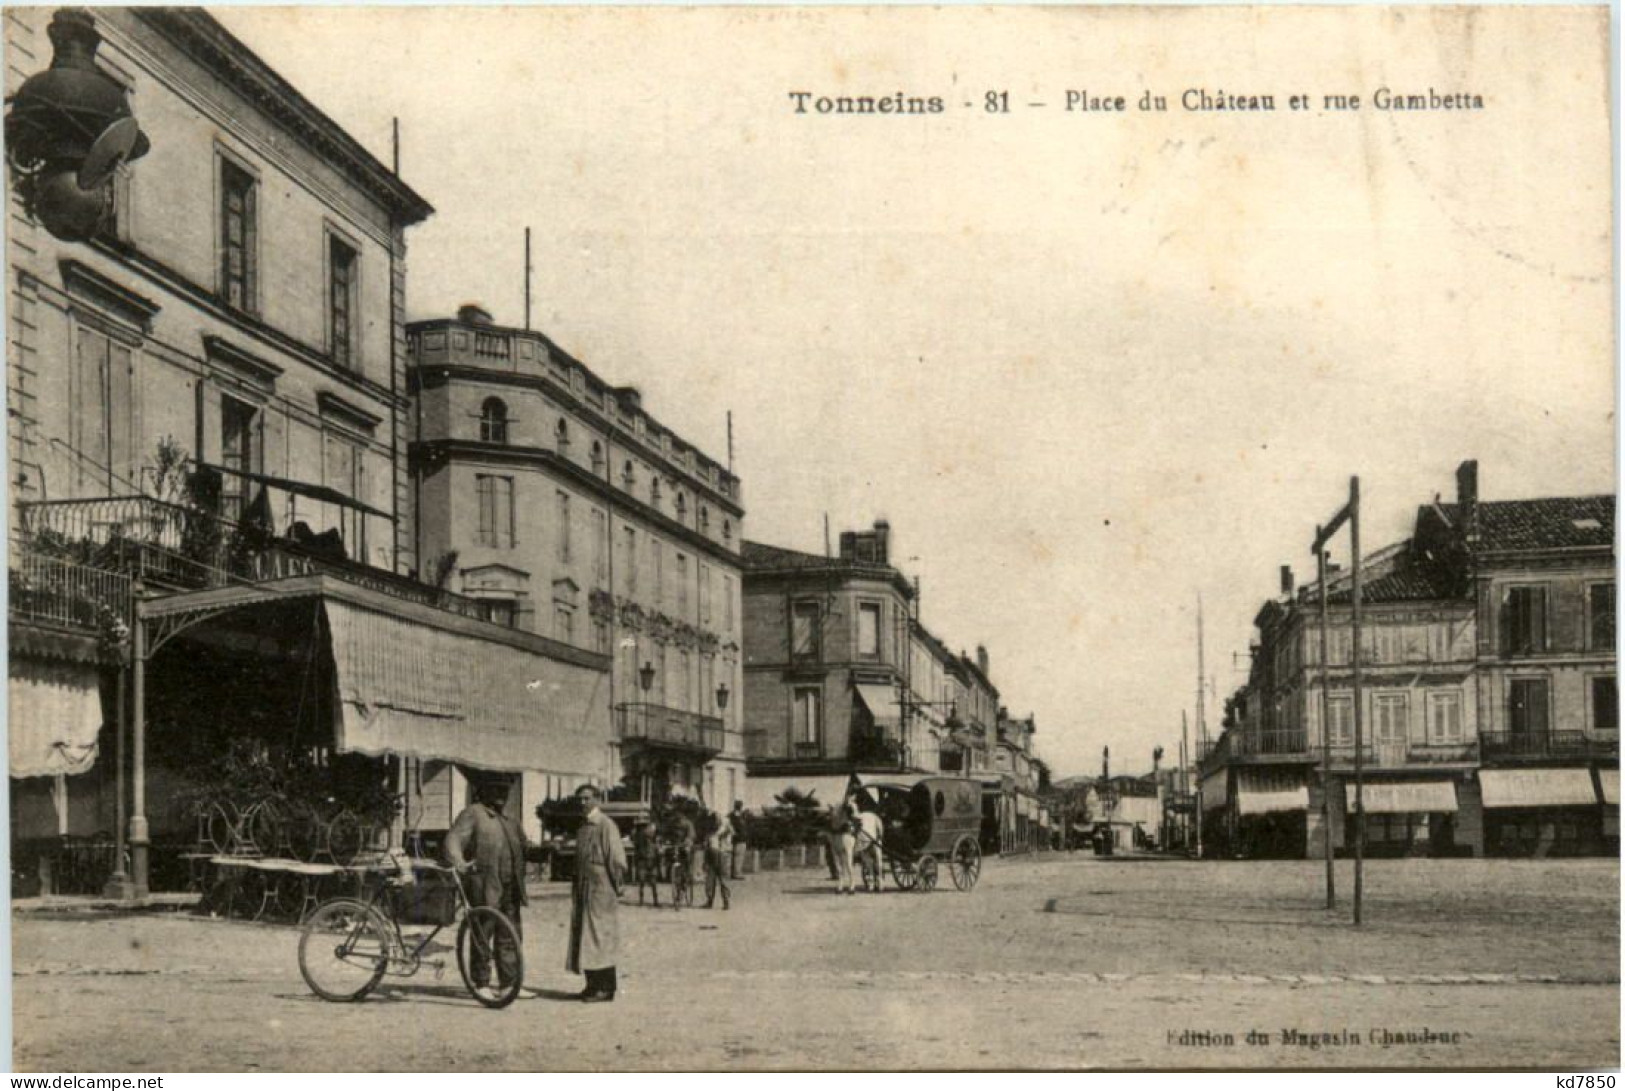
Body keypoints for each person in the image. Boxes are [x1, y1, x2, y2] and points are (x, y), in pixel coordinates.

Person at [444, 777, 527, 1001]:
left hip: (511, 887)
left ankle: (509, 984)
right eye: (496, 789)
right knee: (483, 933)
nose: (501, 794)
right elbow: (453, 839)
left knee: (510, 935)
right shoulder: (474, 813)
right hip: (485, 884)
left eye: (505, 790)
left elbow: (524, 846)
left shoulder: (510, 820)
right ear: (483, 791)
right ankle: (481, 983)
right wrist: (460, 862)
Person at [566, 783, 626, 1003]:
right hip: (584, 889)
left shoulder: (605, 825)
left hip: (601, 890)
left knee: (601, 937)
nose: (582, 802)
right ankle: (591, 985)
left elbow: (617, 859)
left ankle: (606, 988)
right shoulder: (583, 827)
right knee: (585, 936)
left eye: (587, 798)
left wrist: (617, 887)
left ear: (597, 800)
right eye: (579, 799)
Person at [703, 810, 732, 910]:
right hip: (715, 855)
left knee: (722, 879)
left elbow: (728, 833)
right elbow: (706, 847)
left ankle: (725, 901)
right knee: (710, 879)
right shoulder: (710, 833)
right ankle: (710, 900)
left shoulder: (724, 830)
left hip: (721, 855)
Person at [828, 799, 857, 895]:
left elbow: (854, 814)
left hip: (848, 835)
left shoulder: (851, 805)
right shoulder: (839, 807)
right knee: (838, 863)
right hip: (837, 834)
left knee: (848, 862)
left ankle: (852, 884)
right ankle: (841, 883)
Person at [855, 800, 885, 892]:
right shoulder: (868, 817)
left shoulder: (870, 817)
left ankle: (877, 883)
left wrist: (880, 836)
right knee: (872, 864)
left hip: (871, 840)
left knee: (874, 863)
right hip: (868, 841)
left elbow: (880, 829)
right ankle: (875, 883)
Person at [631, 817, 661, 908]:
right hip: (647, 858)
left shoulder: (638, 834)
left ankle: (643, 901)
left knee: (644, 881)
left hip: (645, 858)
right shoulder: (643, 833)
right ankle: (653, 901)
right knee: (650, 881)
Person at [727, 800, 749, 880]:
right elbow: (729, 825)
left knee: (739, 856)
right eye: (739, 805)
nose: (740, 807)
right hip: (738, 839)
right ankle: (736, 873)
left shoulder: (741, 816)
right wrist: (733, 832)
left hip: (741, 838)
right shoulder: (733, 816)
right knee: (738, 856)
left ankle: (736, 872)